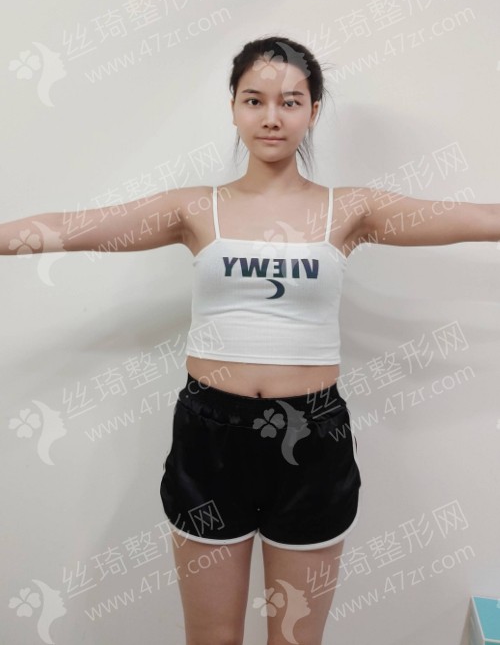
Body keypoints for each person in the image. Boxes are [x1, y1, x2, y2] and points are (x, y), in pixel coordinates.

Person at [1, 35, 497, 645]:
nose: (271, 117)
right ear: (233, 106)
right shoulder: (194, 209)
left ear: (313, 111)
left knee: (294, 639)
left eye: (290, 101)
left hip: (313, 437)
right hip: (210, 436)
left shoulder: (352, 209)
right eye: (254, 100)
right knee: (212, 637)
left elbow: (481, 218)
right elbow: (72, 228)